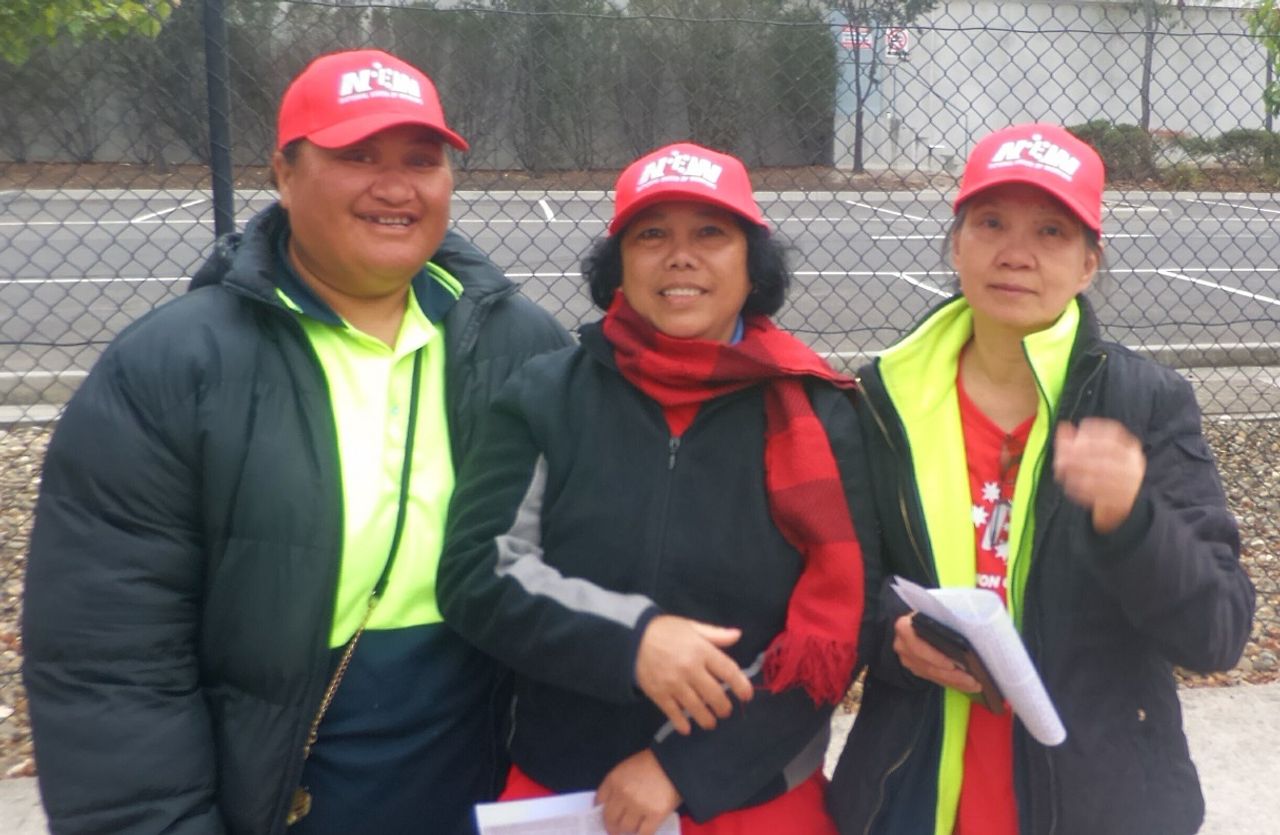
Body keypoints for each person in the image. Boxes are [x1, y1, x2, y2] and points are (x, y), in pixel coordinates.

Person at [22, 48, 570, 835]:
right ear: (283, 173)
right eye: (358, 156)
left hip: (490, 788)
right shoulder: (169, 369)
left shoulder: (524, 345)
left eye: (422, 159)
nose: (396, 187)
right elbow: (108, 664)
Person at [437, 141, 879, 835]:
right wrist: (632, 642)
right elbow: (476, 576)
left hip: (753, 794)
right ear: (618, 265)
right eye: (651, 235)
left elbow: (840, 628)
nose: (680, 256)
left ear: (752, 264)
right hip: (566, 792)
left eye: (710, 232)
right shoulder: (544, 396)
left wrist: (684, 768)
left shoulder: (821, 412)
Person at [826, 123, 1256, 835]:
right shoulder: (882, 400)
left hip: (1097, 800)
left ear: (1089, 263)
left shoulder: (1146, 402)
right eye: (991, 222)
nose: (1015, 253)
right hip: (913, 792)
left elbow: (1218, 633)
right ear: (956, 244)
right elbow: (841, 589)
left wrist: (1134, 520)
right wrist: (891, 636)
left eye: (1051, 231)